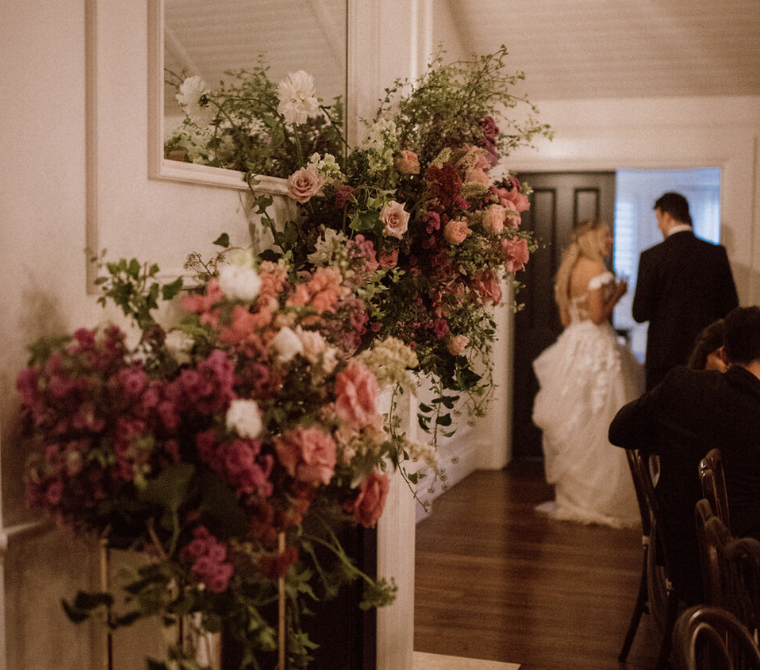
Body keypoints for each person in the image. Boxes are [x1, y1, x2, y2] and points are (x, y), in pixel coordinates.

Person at [608, 305, 760, 605]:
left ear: (724, 353)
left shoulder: (681, 386)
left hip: (682, 560)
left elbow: (619, 430)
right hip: (746, 568)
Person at [532, 219, 645, 528]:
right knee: (600, 417)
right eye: (606, 235)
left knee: (578, 420)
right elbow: (596, 317)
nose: (610, 239)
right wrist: (617, 295)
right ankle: (601, 499)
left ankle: (575, 495)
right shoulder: (596, 269)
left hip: (572, 346)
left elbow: (567, 321)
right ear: (593, 238)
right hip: (597, 348)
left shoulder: (567, 272)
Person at [632, 191, 738, 391]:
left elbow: (639, 313)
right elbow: (731, 308)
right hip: (704, 355)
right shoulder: (715, 254)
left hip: (662, 357)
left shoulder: (651, 257)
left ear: (666, 216)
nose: (658, 225)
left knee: (662, 408)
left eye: (658, 218)